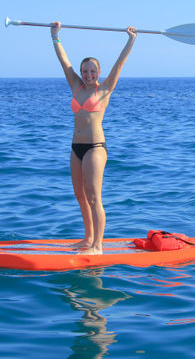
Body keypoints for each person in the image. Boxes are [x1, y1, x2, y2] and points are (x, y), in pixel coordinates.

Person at [51, 22, 137, 255]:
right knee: (79, 195)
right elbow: (64, 61)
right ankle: (88, 238)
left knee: (93, 195)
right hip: (75, 147)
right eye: (85, 71)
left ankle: (98, 246)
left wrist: (130, 40)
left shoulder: (105, 89)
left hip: (95, 147)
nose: (89, 75)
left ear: (98, 73)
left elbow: (120, 63)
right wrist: (55, 36)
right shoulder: (76, 86)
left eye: (93, 71)